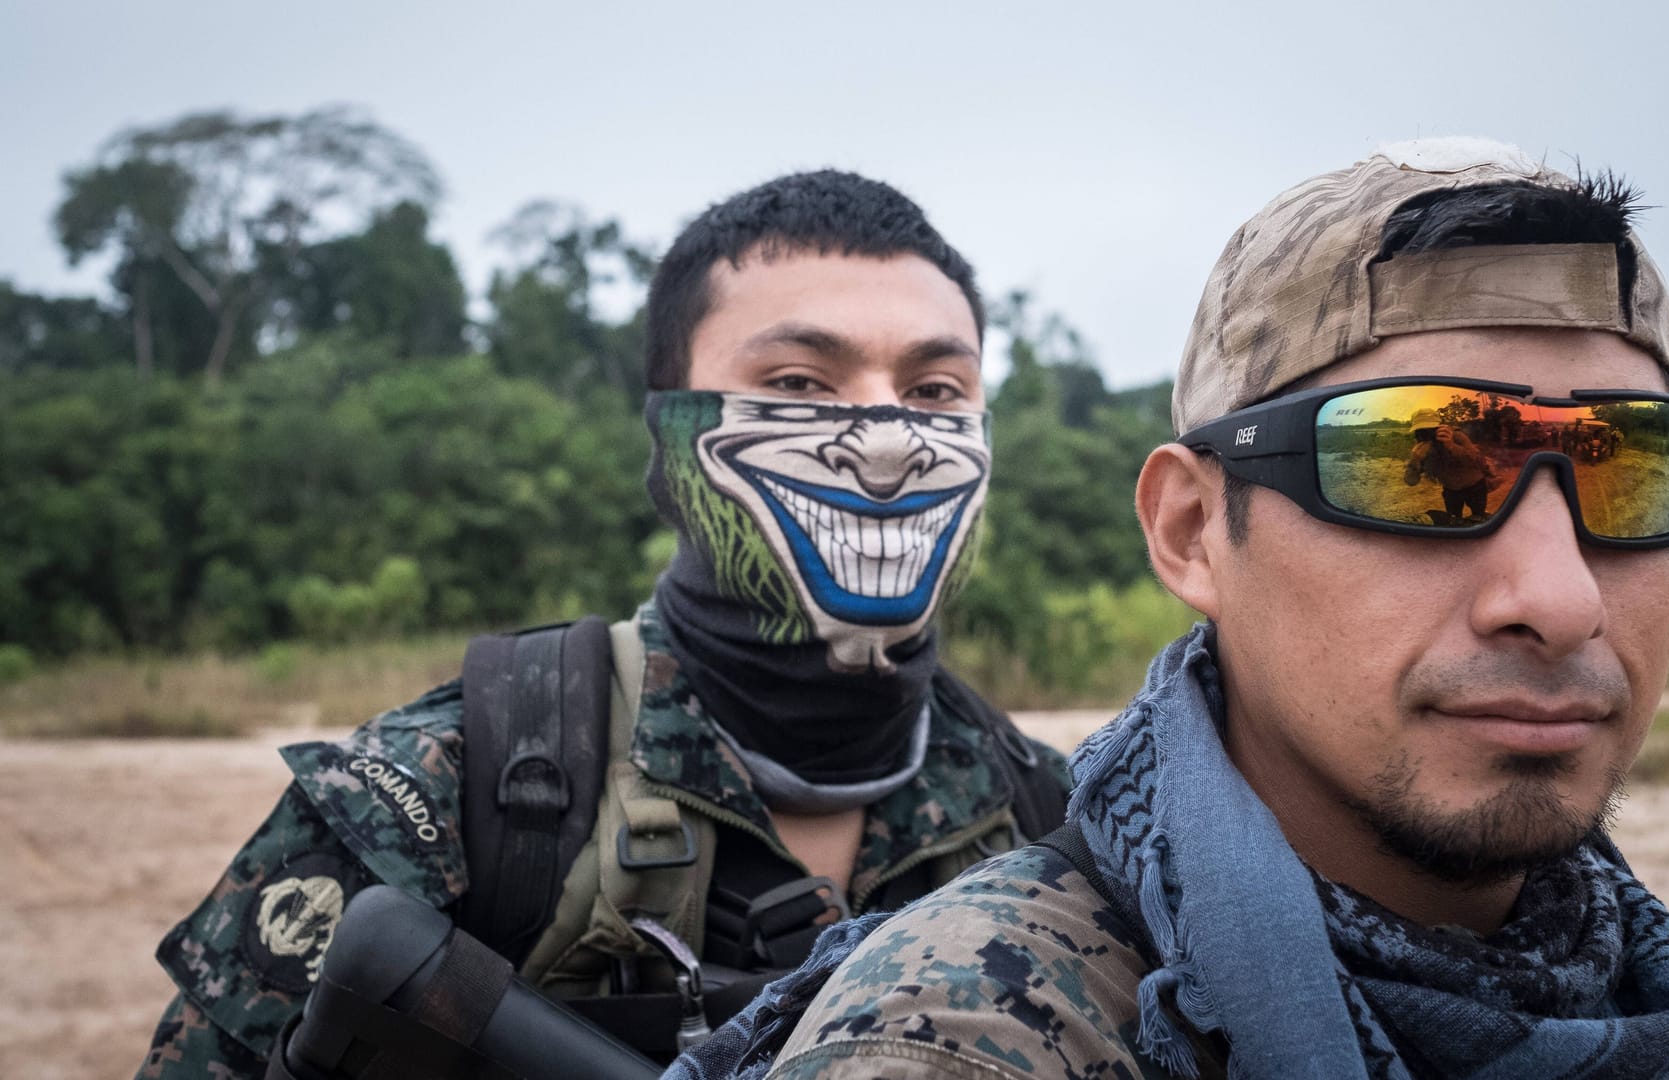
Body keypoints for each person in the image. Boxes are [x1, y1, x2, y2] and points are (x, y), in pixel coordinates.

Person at [751, 141, 1669, 1079]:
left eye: (1632, 474)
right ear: (1193, 532)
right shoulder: (966, 1037)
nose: (1558, 600)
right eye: (1422, 467)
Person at [135, 170, 1071, 1078]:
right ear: (668, 431)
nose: (885, 446)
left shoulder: (1054, 821)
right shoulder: (444, 799)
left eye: (936, 392)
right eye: (800, 382)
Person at [1402, 409, 1495, 523]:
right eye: (1421, 430)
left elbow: (1476, 460)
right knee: (1454, 520)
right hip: (1451, 490)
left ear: (1439, 426)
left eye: (1431, 429)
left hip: (1474, 486)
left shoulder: (1455, 436)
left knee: (1479, 517)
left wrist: (1451, 446)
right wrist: (1415, 460)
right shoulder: (1421, 447)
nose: (1426, 434)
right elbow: (1410, 481)